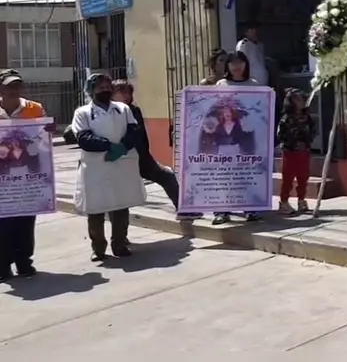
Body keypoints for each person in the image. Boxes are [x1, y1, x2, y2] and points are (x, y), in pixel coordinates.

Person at [71, 72, 146, 262]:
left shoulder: (123, 109)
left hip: (122, 164)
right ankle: (98, 249)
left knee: (120, 206)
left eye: (107, 86)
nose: (104, 89)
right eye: (100, 87)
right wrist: (108, 146)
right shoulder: (82, 113)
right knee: (96, 209)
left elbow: (135, 131)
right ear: (91, 90)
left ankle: (119, 245)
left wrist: (122, 148)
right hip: (96, 167)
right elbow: (84, 138)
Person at [111, 79, 199, 221]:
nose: (125, 95)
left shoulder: (133, 110)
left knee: (167, 176)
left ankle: (184, 210)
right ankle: (119, 237)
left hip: (141, 157)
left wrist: (144, 155)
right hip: (119, 159)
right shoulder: (109, 112)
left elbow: (139, 135)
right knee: (119, 198)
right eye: (121, 92)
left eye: (127, 92)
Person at [0, 69, 57, 281]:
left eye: (17, 85)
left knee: (25, 221)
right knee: (3, 224)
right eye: (9, 86)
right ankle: (2, 266)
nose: (14, 90)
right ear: (1, 89)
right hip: (3, 179)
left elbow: (41, 140)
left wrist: (48, 129)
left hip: (27, 177)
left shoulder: (35, 108)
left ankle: (24, 263)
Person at [212, 51, 264, 226]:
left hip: (247, 137)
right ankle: (221, 211)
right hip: (226, 138)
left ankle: (250, 209)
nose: (236, 66)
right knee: (224, 176)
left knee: (246, 173)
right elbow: (214, 108)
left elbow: (260, 110)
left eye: (240, 62)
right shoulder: (222, 84)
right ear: (227, 66)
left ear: (246, 64)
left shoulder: (254, 85)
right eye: (232, 63)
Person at [276, 88, 315, 215]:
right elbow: (280, 135)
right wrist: (292, 144)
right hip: (290, 152)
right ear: (291, 101)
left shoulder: (307, 117)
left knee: (303, 177)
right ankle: (284, 202)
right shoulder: (286, 118)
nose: (301, 101)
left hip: (304, 152)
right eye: (297, 99)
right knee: (288, 178)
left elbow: (313, 132)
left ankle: (302, 200)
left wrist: (306, 143)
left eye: (302, 98)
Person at [236, 21, 268, 87]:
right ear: (246, 32)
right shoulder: (243, 45)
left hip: (262, 84)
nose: (255, 31)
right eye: (252, 29)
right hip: (250, 85)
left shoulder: (259, 45)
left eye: (256, 29)